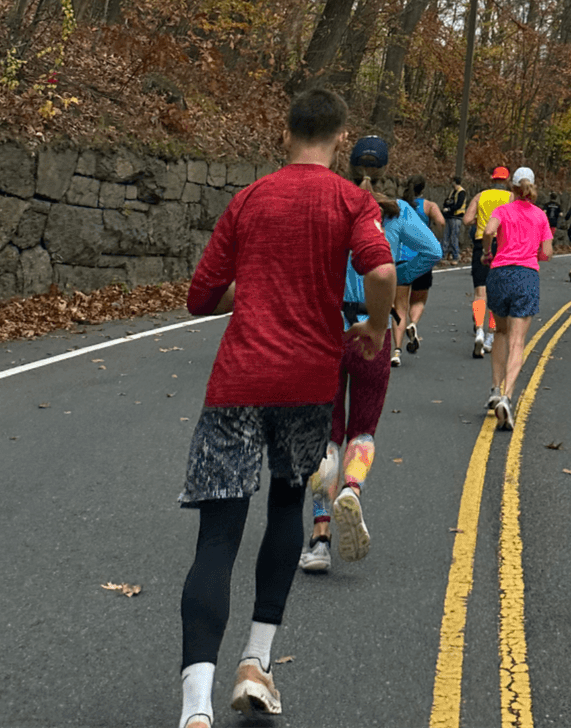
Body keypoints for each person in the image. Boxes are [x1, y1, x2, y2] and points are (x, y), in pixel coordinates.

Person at [176, 89, 396, 728]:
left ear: (284, 133)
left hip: (238, 382)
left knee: (217, 538)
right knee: (282, 510)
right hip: (307, 382)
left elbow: (200, 297)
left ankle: (195, 708)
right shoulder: (351, 199)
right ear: (339, 136)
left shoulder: (248, 199)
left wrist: (251, 296)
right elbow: (379, 272)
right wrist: (377, 329)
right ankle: (256, 662)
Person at [300, 137, 439, 573]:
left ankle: (320, 537)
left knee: (325, 433)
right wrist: (398, 277)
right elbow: (433, 251)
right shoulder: (396, 211)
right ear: (386, 167)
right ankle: (353, 489)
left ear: (347, 160)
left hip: (327, 328)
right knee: (363, 426)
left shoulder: (327, 202)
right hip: (372, 328)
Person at [482, 167, 555, 429]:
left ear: (512, 188)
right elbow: (546, 252)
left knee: (500, 332)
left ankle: (494, 387)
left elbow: (489, 231)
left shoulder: (502, 211)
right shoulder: (541, 216)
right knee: (517, 340)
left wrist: (487, 251)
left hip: (499, 273)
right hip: (526, 275)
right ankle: (507, 396)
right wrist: (535, 250)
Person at [393, 174, 445, 362]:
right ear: (423, 188)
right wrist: (435, 239)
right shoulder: (429, 206)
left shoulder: (398, 206)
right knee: (418, 300)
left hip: (400, 260)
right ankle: (413, 323)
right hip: (421, 259)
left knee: (399, 307)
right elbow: (441, 222)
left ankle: (397, 351)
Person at [463, 166, 513, 358]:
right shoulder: (510, 198)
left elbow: (467, 220)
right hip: (502, 245)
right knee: (497, 292)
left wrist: (479, 221)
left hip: (481, 244)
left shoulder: (480, 196)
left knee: (480, 291)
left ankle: (479, 330)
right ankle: (492, 335)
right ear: (507, 180)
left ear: (492, 179)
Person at [442, 176, 469, 261]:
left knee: (454, 237)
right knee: (445, 236)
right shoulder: (452, 192)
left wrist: (449, 209)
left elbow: (459, 205)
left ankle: (455, 255)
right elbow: (447, 201)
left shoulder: (461, 192)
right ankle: (443, 255)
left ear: (454, 182)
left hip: (456, 217)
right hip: (449, 216)